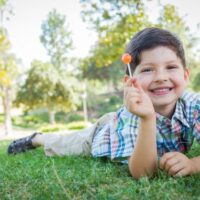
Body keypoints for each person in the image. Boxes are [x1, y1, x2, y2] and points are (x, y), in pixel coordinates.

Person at [7, 27, 200, 179]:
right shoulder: (133, 114)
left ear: (185, 76)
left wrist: (192, 165)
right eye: (148, 70)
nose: (161, 77)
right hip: (102, 134)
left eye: (171, 67)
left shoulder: (193, 104)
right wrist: (147, 118)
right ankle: (37, 138)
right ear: (130, 81)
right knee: (67, 143)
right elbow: (143, 173)